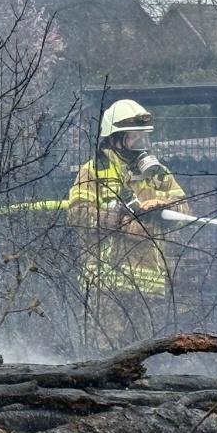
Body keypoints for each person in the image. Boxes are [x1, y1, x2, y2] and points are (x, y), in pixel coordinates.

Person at [66, 99, 188, 346]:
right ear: (115, 139)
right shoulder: (93, 172)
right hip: (105, 283)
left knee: (142, 355)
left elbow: (184, 211)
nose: (141, 144)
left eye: (144, 137)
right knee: (103, 351)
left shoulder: (157, 173)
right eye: (135, 137)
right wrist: (120, 222)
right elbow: (77, 214)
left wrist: (161, 208)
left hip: (149, 285)